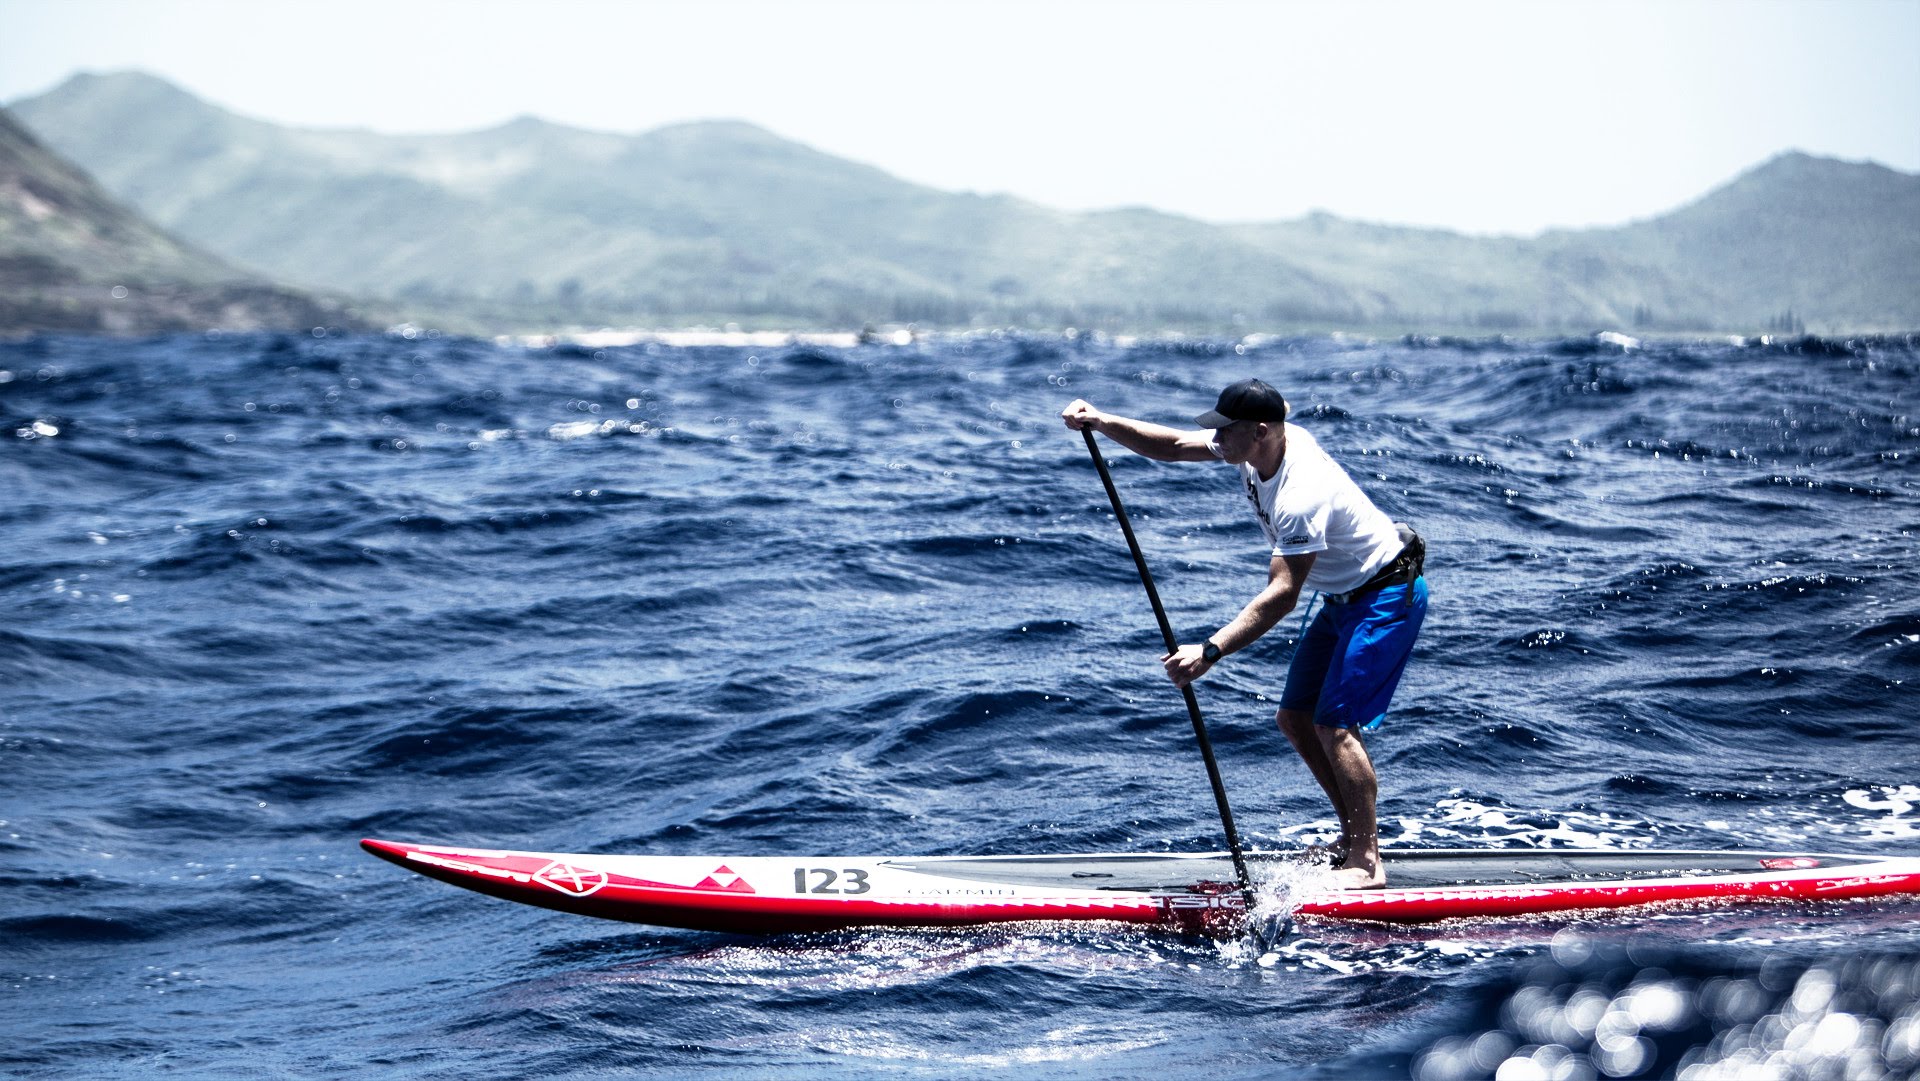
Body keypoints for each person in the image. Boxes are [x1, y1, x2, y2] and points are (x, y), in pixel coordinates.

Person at [1061, 379, 1428, 889]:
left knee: (1335, 725)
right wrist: (1102, 421)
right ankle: (1349, 837)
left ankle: (1367, 860)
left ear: (1259, 432)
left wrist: (1211, 650)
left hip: (1386, 595)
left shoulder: (1301, 493)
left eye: (1224, 431)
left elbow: (1282, 593)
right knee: (1296, 718)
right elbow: (1171, 446)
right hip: (1343, 597)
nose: (1216, 440)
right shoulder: (1260, 445)